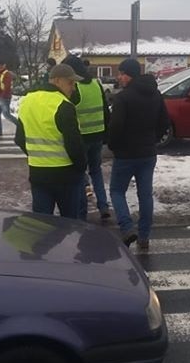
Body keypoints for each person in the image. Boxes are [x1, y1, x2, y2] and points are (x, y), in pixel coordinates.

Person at [108, 58, 170, 251]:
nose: (119, 77)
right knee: (145, 195)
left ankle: (127, 228)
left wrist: (113, 145)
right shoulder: (156, 94)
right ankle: (144, 236)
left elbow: (116, 127)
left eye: (121, 73)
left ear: (130, 75)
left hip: (125, 155)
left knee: (117, 191)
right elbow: (164, 122)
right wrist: (153, 139)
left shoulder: (123, 98)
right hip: (147, 153)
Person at [15, 63, 86, 217]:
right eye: (70, 83)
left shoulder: (27, 101)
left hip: (38, 174)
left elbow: (19, 138)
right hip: (65, 176)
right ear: (57, 81)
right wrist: (81, 168)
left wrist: (37, 156)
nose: (73, 88)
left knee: (42, 225)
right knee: (70, 224)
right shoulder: (63, 105)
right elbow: (74, 145)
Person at [63, 54, 111, 222]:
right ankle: (103, 206)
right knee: (96, 171)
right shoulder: (96, 84)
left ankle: (81, 214)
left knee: (79, 175)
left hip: (81, 137)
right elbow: (106, 110)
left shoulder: (75, 88)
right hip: (98, 135)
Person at [0, 61, 17, 137]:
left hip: (4, 97)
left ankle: (20, 126)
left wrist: (2, 95)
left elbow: (7, 86)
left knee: (6, 114)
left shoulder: (6, 74)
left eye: (1, 65)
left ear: (4, 65)